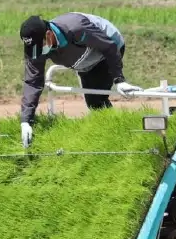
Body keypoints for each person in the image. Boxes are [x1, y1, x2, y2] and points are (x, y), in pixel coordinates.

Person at [19, 12, 140, 147]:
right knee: (94, 105)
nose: (38, 52)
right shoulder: (34, 48)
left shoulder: (76, 28)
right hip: (81, 59)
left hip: (109, 48)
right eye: (33, 48)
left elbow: (109, 47)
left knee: (97, 101)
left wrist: (119, 80)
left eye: (40, 46)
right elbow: (33, 82)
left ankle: (122, 137)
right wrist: (26, 121)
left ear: (49, 34)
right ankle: (112, 137)